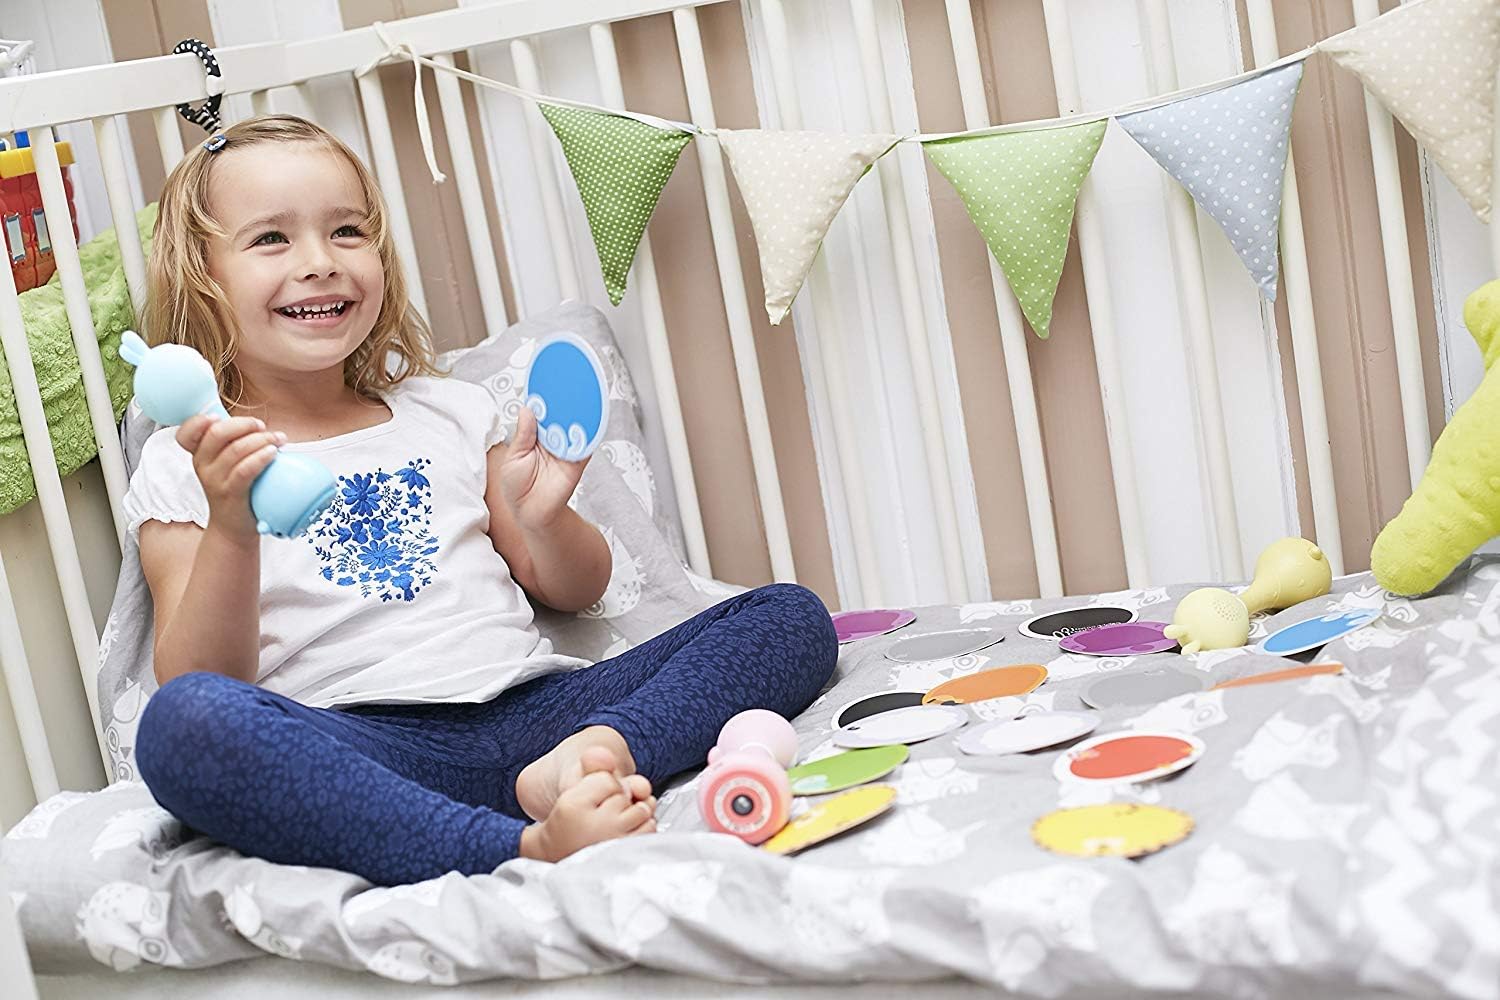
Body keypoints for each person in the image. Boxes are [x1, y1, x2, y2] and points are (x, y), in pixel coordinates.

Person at [127, 115, 836, 887]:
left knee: (787, 617)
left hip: (539, 713)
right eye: (272, 240)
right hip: (366, 748)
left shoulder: (447, 411)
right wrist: (233, 522)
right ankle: (512, 851)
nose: (320, 263)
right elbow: (200, 676)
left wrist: (544, 518)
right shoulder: (185, 458)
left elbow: (577, 586)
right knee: (185, 726)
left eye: (347, 231)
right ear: (202, 273)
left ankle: (597, 757)